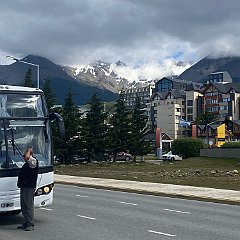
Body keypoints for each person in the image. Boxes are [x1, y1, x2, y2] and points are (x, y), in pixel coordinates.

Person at [17, 147, 38, 231]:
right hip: (24, 186)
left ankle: (30, 224)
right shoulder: (27, 163)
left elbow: (27, 157)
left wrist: (29, 150)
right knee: (24, 206)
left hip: (29, 187)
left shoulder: (33, 161)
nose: (23, 156)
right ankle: (26, 222)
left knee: (28, 206)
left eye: (24, 154)